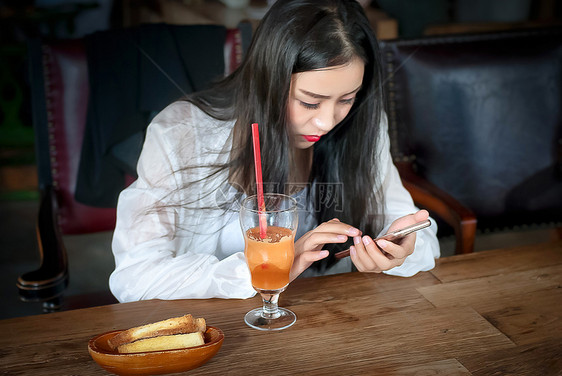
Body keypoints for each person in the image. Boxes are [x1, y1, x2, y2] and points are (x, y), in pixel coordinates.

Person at [109, 0, 440, 302]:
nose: (327, 122)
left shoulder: (361, 125)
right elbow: (134, 279)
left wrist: (400, 251)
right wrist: (265, 269)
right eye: (309, 102)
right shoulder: (182, 134)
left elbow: (417, 239)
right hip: (220, 333)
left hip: (327, 317)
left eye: (346, 99)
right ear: (268, 80)